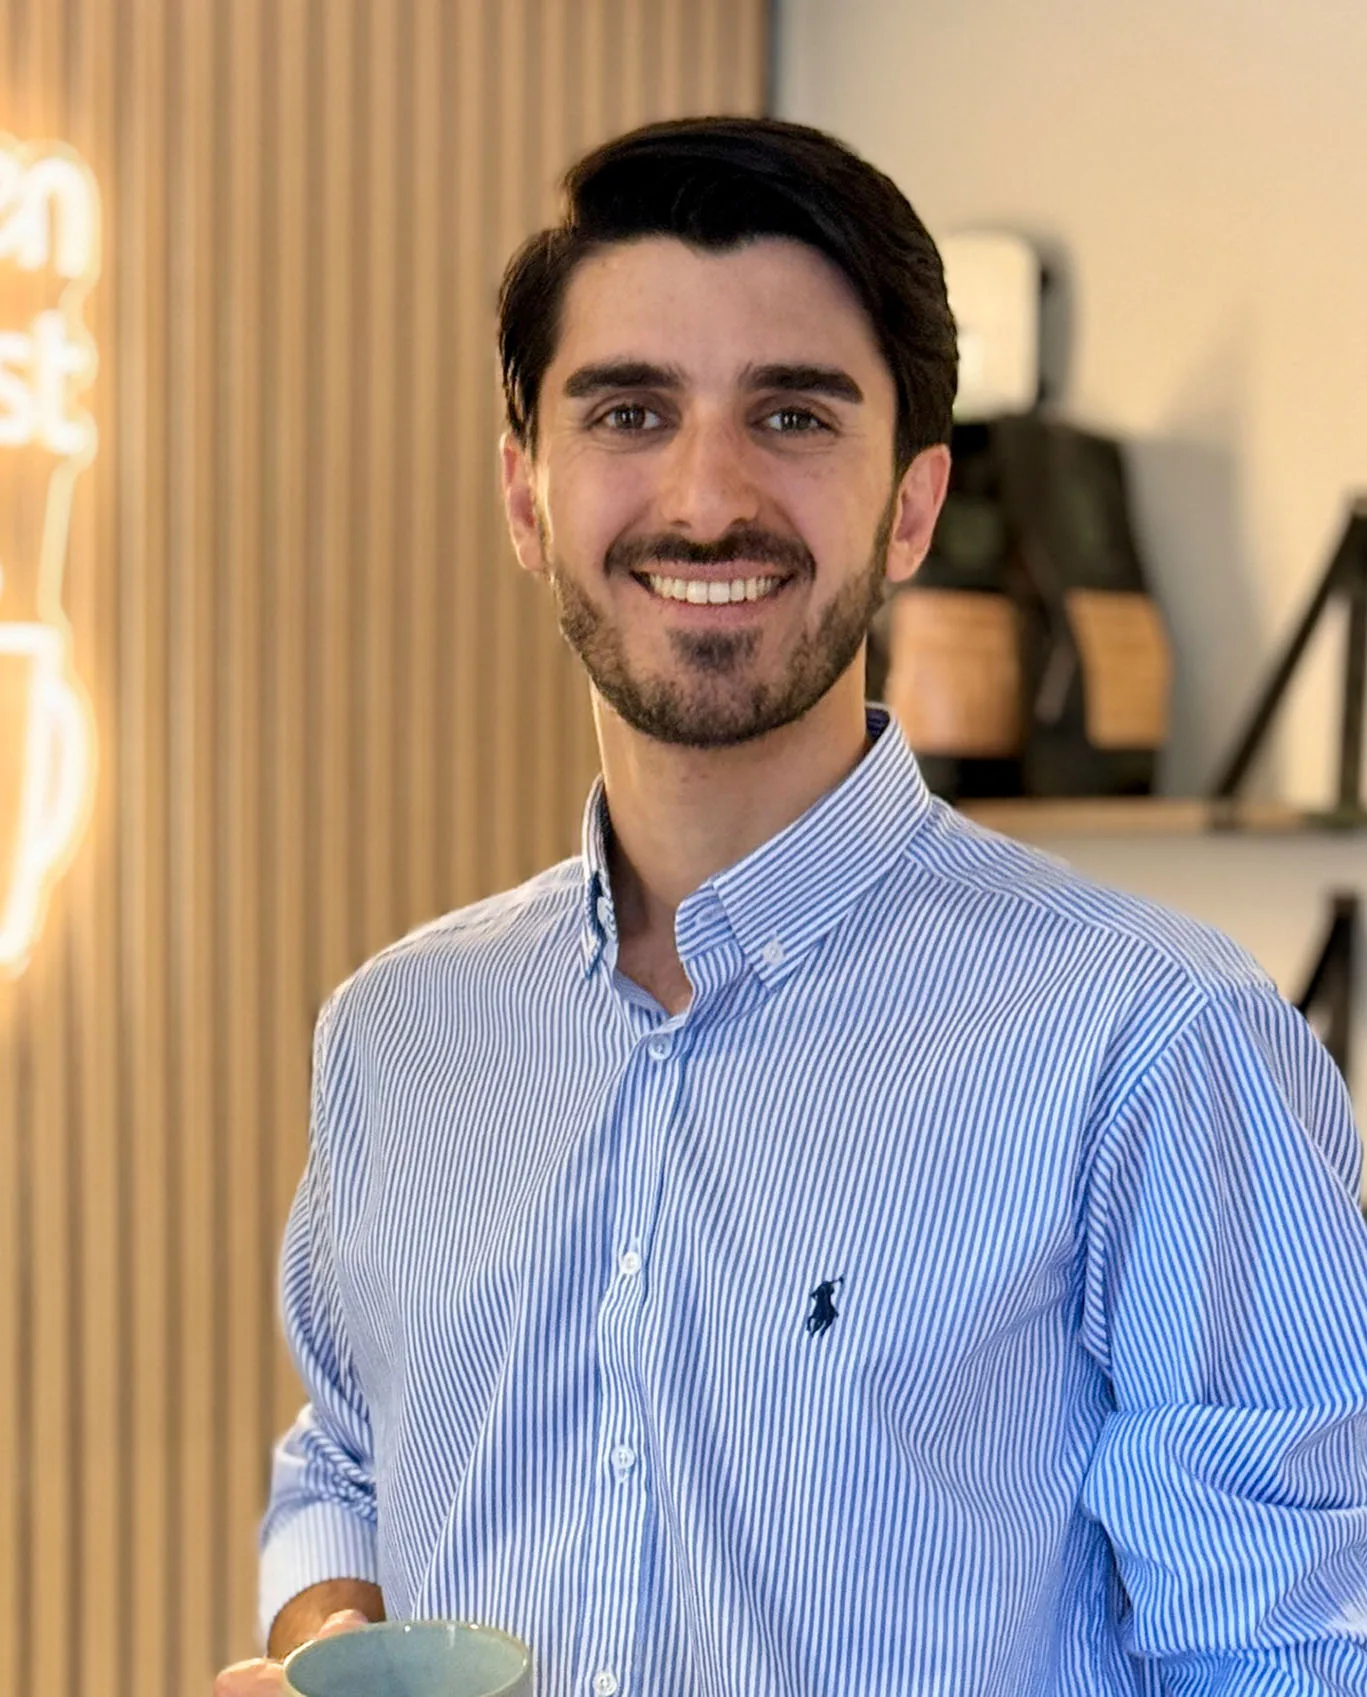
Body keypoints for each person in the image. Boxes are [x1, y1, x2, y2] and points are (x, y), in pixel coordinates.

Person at [217, 117, 1367, 1697]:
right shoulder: (397, 1035)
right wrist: (329, 1645)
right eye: (629, 411)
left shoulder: (1155, 1049)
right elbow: (348, 1458)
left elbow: (1282, 1657)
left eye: (792, 415)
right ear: (525, 495)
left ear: (910, 507)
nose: (707, 498)